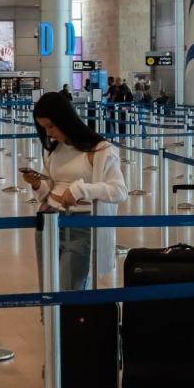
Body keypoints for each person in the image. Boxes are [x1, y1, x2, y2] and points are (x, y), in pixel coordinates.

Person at [21, 92, 127, 291]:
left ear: (66, 120)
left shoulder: (101, 150)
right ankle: (50, 322)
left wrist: (81, 190)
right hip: (48, 221)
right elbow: (50, 188)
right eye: (44, 128)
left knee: (69, 289)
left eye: (51, 126)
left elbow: (119, 190)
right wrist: (37, 184)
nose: (49, 133)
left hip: (80, 225)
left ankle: (70, 321)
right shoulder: (55, 149)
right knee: (48, 288)